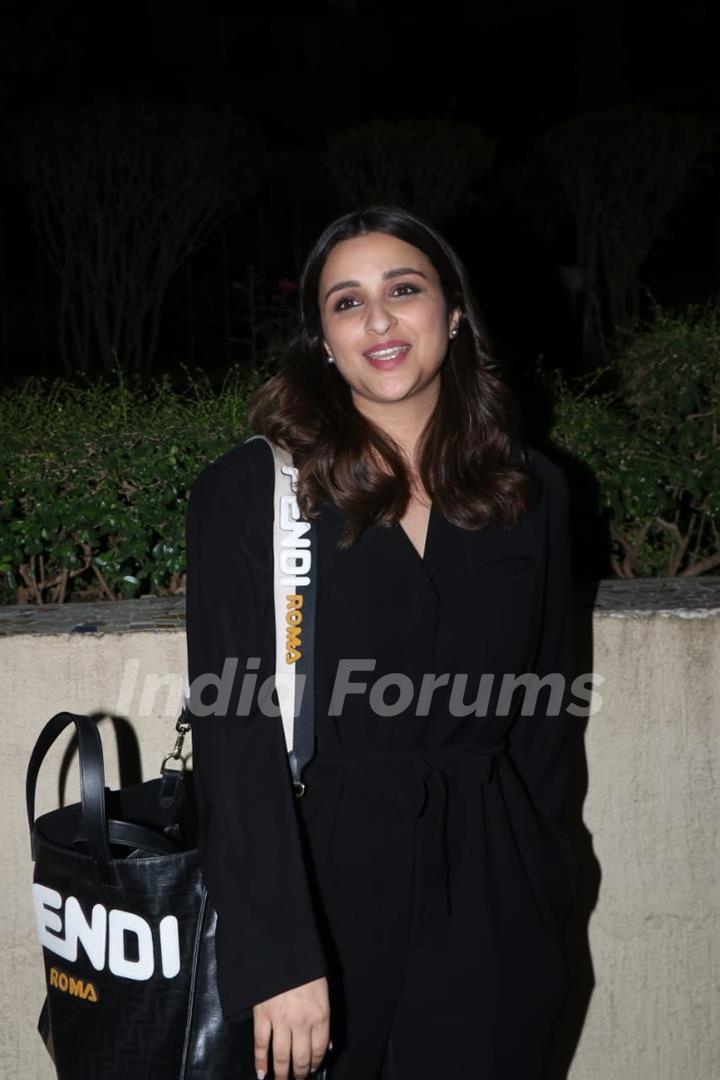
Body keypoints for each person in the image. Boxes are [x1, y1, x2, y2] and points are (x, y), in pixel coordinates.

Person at [185, 204, 579, 1080]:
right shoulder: (253, 492)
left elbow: (548, 715)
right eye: (345, 302)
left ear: (453, 310)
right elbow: (234, 737)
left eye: (403, 290)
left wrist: (547, 881)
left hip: (495, 886)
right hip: (320, 878)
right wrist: (279, 956)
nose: (378, 322)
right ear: (322, 339)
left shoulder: (533, 490)